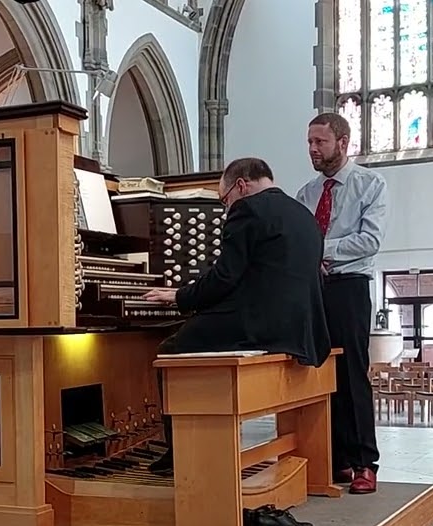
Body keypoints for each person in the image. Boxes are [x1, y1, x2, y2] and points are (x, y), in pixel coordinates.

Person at [142, 157, 331, 473]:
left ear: (241, 185)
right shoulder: (304, 215)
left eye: (224, 200)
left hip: (262, 325)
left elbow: (225, 277)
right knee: (194, 333)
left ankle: (181, 452)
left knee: (171, 349)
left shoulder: (248, 209)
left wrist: (179, 296)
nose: (226, 208)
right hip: (304, 330)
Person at [295, 112, 388, 495]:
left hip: (349, 286)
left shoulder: (370, 184)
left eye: (321, 142)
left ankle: (366, 462)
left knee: (351, 373)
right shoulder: (306, 193)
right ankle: (336, 459)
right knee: (319, 372)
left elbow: (369, 241)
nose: (314, 149)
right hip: (313, 289)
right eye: (310, 143)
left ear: (343, 142)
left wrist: (321, 249)